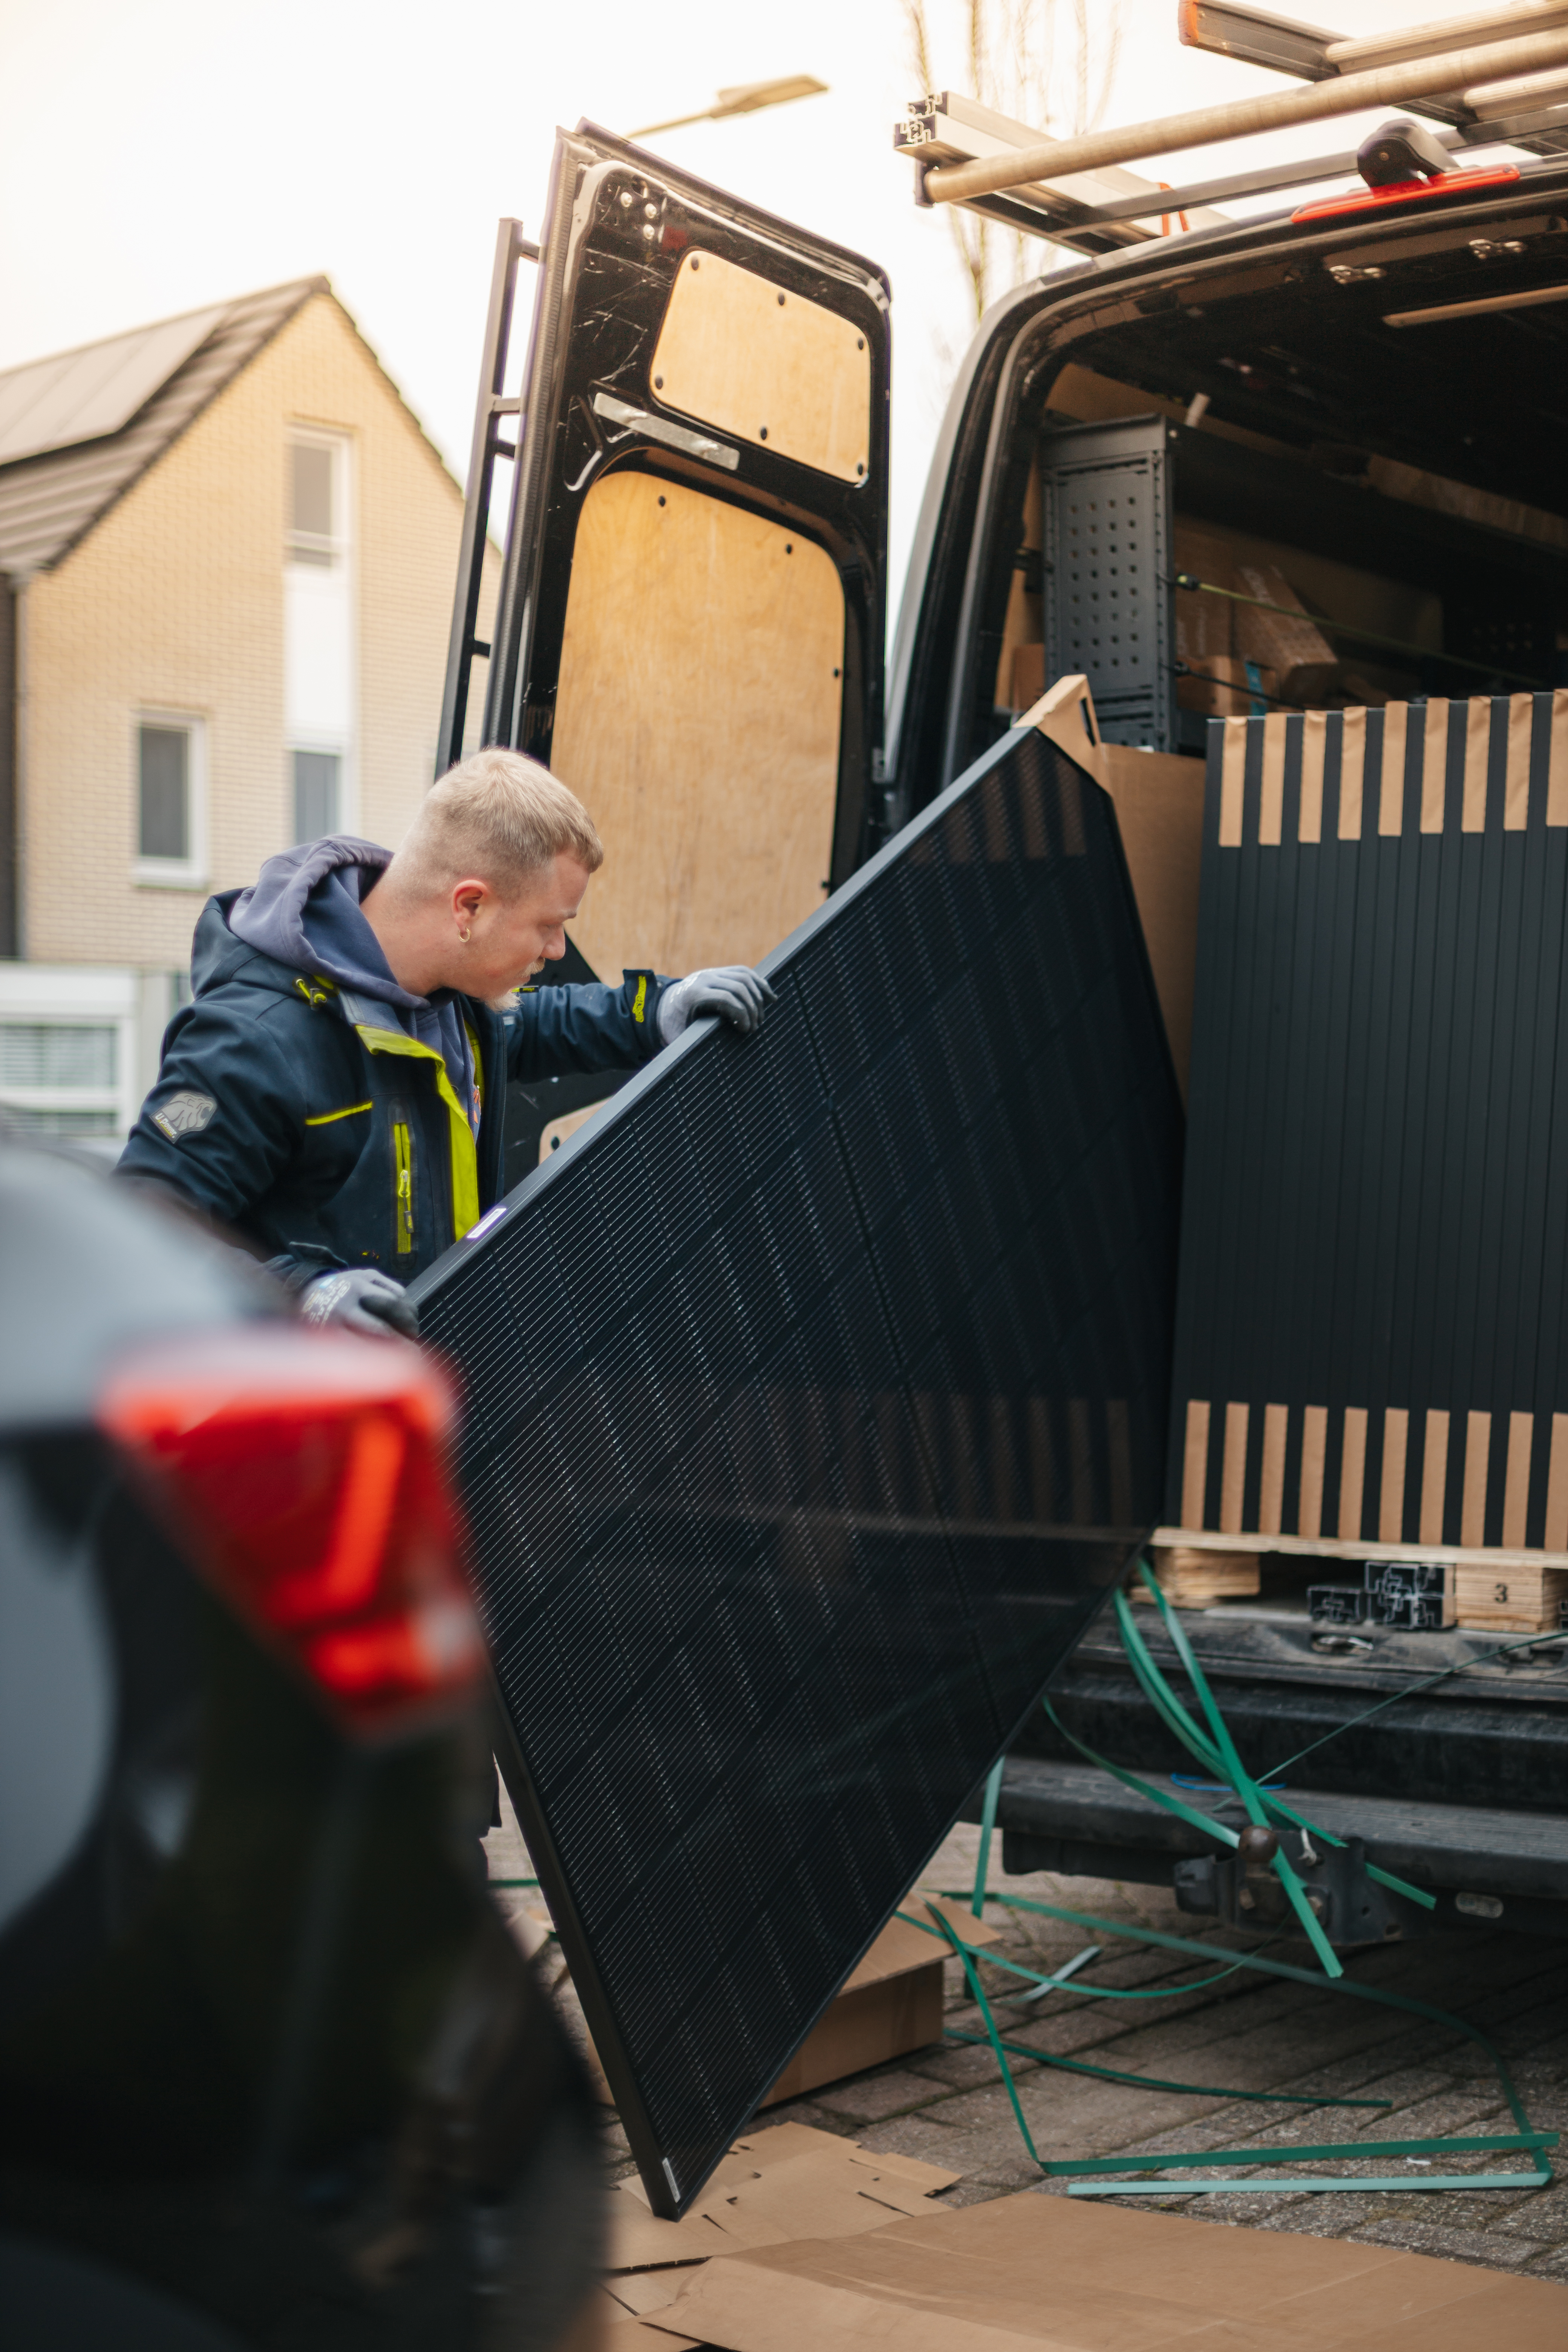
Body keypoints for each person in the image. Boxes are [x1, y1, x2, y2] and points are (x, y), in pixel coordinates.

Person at [118, 748, 774, 1334]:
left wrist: (660, 1006)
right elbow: (143, 1224)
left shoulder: (454, 1001)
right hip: (305, 1429)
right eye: (549, 925)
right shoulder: (255, 1041)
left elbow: (538, 1023)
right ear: (469, 908)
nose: (557, 949)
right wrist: (304, 1297)